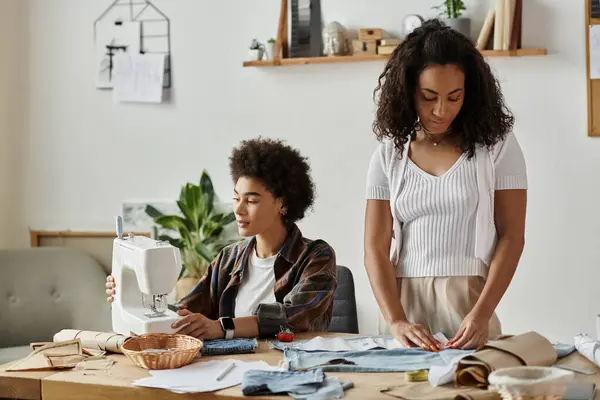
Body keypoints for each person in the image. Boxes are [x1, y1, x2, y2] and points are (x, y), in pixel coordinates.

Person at [364, 19, 527, 351]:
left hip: (469, 302)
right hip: (403, 306)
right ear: (408, 91)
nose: (442, 110)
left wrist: (482, 313)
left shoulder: (496, 147)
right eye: (429, 97)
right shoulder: (388, 156)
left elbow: (512, 235)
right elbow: (375, 249)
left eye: (455, 97)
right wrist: (396, 321)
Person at [106, 137, 337, 340]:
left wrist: (221, 327)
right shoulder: (229, 258)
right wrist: (132, 298)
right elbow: (183, 312)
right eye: (236, 198)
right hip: (233, 370)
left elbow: (291, 316)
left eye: (252, 200)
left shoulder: (316, 256)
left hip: (294, 369)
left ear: (282, 203)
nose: (239, 209)